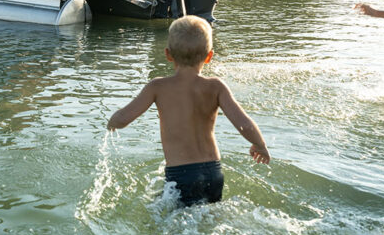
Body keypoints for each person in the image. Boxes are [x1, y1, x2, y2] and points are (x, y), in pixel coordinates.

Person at [107, 16, 271, 207]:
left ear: (168, 54)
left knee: (170, 220)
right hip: (214, 172)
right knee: (208, 215)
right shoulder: (216, 86)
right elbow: (244, 123)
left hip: (181, 174)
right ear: (209, 56)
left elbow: (123, 118)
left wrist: (112, 123)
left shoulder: (157, 87)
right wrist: (260, 145)